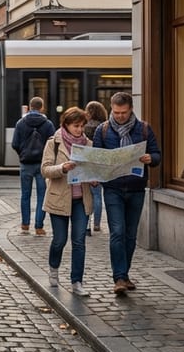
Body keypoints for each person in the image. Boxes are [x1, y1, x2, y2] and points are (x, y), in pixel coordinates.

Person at [92, 92, 161, 295]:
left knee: (131, 236)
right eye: (115, 112)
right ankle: (119, 278)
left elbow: (157, 154)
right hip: (113, 189)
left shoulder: (144, 129)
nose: (119, 116)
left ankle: (125, 274)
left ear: (131, 109)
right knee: (117, 232)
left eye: (123, 112)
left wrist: (151, 158)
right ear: (111, 109)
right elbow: (95, 157)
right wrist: (96, 172)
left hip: (136, 188)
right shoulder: (102, 130)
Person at [41, 107, 94, 297]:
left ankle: (77, 282)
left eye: (81, 126)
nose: (79, 130)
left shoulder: (88, 144)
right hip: (59, 199)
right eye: (75, 126)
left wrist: (95, 178)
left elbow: (92, 171)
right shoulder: (54, 143)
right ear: (66, 125)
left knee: (79, 242)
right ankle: (53, 269)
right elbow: (45, 170)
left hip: (81, 199)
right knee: (59, 240)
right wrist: (62, 167)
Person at [11, 97, 56, 236]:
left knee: (25, 195)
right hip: (42, 164)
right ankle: (38, 226)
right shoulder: (48, 124)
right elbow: (53, 144)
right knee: (42, 195)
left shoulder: (20, 123)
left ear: (30, 107)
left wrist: (23, 154)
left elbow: (14, 144)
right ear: (42, 107)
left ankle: (25, 225)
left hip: (26, 164)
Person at [83, 100, 109, 235]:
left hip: (88, 163)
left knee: (89, 195)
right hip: (101, 163)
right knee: (98, 195)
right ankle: (97, 224)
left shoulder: (85, 127)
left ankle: (87, 222)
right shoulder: (105, 127)